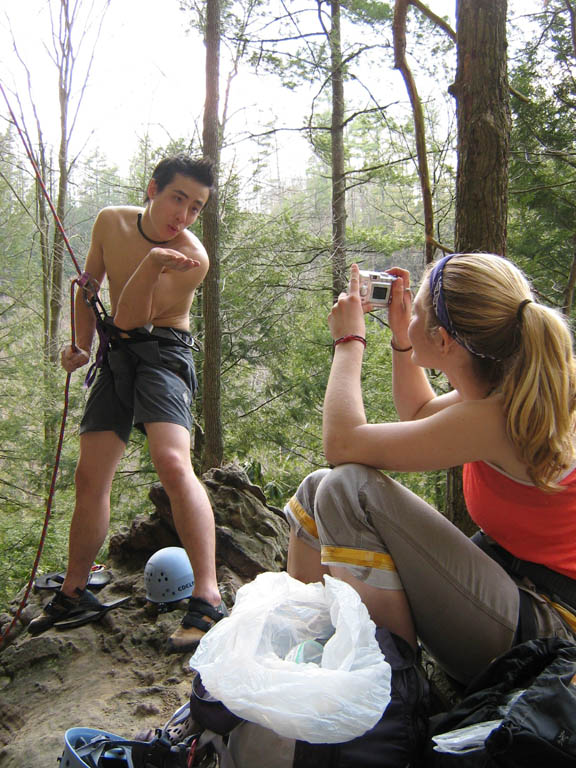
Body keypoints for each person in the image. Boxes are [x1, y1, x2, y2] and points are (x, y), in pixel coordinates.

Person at [284, 254, 576, 685]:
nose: (409, 312)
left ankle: (397, 689)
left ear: (445, 343)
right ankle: (307, 647)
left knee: (347, 489)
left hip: (546, 635)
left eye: (417, 310)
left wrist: (349, 341)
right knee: (317, 489)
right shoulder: (508, 388)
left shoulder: (498, 416)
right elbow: (419, 411)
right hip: (517, 597)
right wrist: (403, 336)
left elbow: (342, 444)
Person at [29, 154, 226, 653]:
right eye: (178, 198)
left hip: (163, 352)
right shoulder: (110, 221)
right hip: (117, 352)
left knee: (172, 461)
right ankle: (76, 589)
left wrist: (153, 263)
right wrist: (80, 342)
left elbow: (137, 318)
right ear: (152, 189)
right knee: (90, 474)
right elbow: (88, 287)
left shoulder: (192, 257)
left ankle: (207, 594)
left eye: (196, 206)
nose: (183, 215)